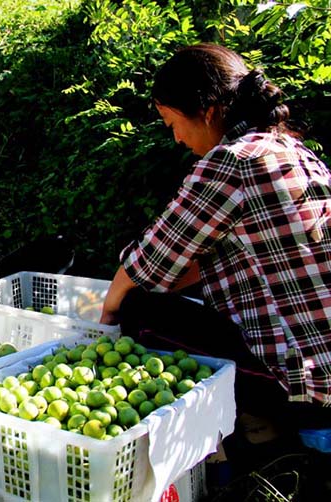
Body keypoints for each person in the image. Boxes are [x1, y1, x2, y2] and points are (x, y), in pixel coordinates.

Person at [99, 43, 331, 437]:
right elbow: (196, 261)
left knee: (139, 311)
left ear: (206, 112)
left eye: (173, 124)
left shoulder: (233, 162)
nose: (176, 139)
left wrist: (106, 316)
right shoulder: (291, 149)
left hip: (307, 385)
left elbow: (146, 265)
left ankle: (255, 431)